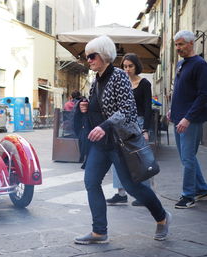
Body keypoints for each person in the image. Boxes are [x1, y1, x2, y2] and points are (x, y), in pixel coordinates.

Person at [73, 35, 171, 245]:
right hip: (101, 144)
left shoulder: (118, 76)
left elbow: (127, 110)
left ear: (104, 55)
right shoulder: (95, 81)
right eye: (87, 56)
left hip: (120, 142)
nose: (88, 60)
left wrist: (104, 126)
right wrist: (85, 108)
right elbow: (96, 110)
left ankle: (162, 217)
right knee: (91, 182)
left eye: (92, 56)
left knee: (133, 187)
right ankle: (99, 232)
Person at [106, 53, 153, 207]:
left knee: (140, 159)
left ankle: (145, 193)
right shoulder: (120, 82)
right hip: (120, 125)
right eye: (125, 66)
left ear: (136, 66)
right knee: (117, 158)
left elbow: (148, 108)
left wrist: (146, 129)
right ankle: (121, 193)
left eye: (130, 66)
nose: (127, 69)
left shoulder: (144, 83)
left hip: (138, 124)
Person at [168, 30, 207, 209]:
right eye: (176, 44)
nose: (178, 48)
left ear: (191, 43)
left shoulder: (200, 64)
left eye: (181, 44)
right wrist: (171, 110)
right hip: (178, 117)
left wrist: (188, 118)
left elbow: (203, 95)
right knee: (186, 157)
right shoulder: (181, 64)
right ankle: (201, 188)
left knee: (188, 158)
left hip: (190, 120)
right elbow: (179, 90)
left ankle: (188, 195)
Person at [73, 97, 91, 168]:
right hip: (82, 133)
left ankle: (86, 161)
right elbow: (75, 125)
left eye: (85, 105)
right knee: (82, 146)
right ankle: (83, 158)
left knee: (87, 147)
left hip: (89, 133)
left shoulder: (90, 114)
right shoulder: (77, 114)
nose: (84, 107)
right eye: (82, 105)